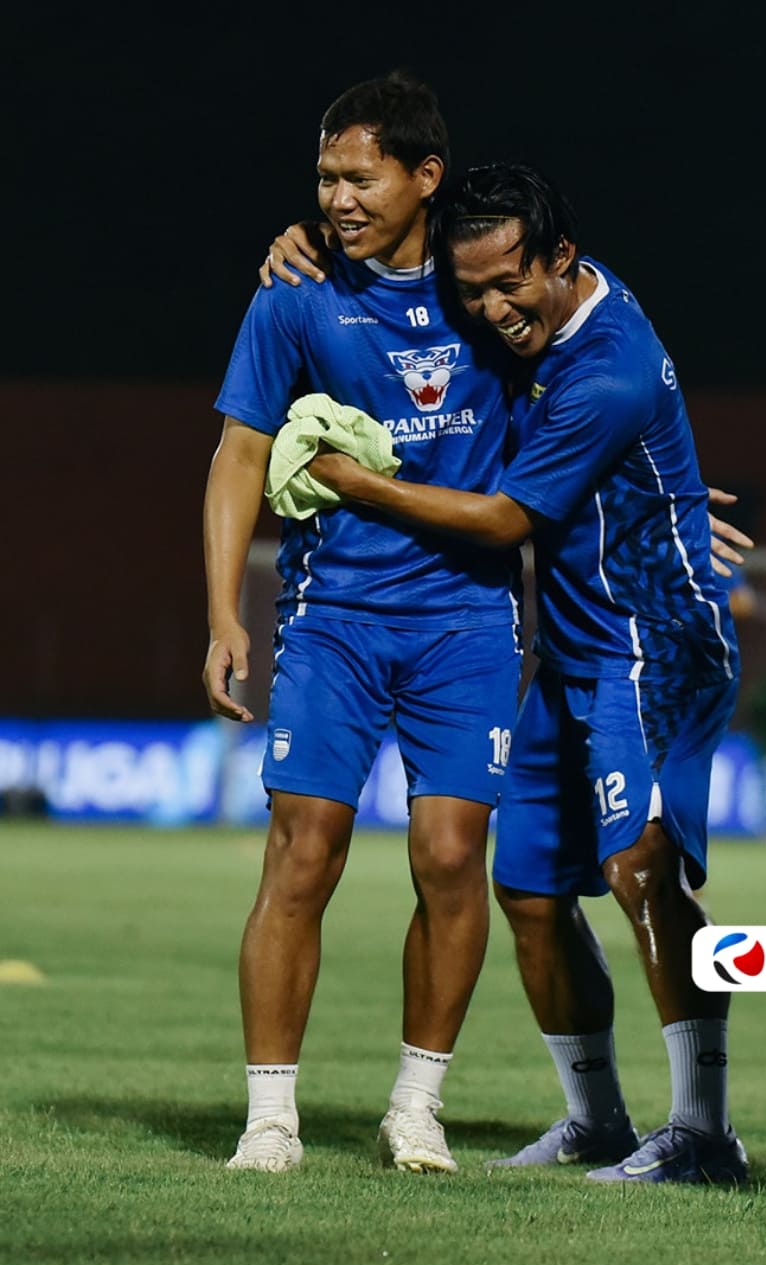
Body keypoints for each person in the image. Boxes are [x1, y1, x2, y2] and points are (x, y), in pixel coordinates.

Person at [306, 162, 749, 1185]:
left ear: (561, 260)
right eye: (471, 292)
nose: (492, 311)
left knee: (642, 870)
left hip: (654, 640)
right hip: (568, 651)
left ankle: (702, 1130)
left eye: (510, 284)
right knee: (528, 892)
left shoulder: (606, 371)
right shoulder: (554, 311)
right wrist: (308, 237)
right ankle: (595, 1116)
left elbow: (507, 519)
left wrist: (354, 483)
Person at [204, 71, 524, 1174]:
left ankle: (415, 1107)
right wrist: (221, 614)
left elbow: (589, 357)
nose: (336, 197)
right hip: (332, 613)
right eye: (324, 178)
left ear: (423, 176)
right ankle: (270, 1118)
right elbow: (239, 453)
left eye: (359, 174)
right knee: (303, 850)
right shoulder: (292, 292)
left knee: (450, 853)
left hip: (467, 616)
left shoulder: (492, 277)